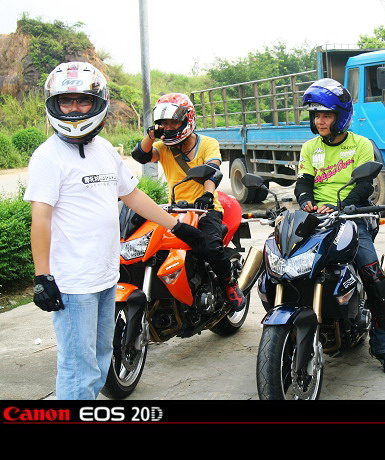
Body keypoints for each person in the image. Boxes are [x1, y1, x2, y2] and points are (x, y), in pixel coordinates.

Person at [24, 62, 204, 400]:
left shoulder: (104, 150)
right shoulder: (48, 157)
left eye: (82, 101)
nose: (74, 109)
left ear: (98, 103)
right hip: (73, 284)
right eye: (66, 102)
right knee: (79, 368)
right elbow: (41, 219)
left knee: (102, 360)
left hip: (108, 276)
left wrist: (177, 226)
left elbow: (133, 195)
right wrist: (42, 276)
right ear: (53, 105)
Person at [294, 78, 385, 376]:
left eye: (326, 115)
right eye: (316, 115)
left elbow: (364, 185)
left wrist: (341, 208)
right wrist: (305, 202)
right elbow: (304, 182)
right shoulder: (309, 147)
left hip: (350, 218)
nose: (320, 121)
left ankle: (383, 347)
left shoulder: (360, 145)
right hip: (315, 218)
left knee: (374, 279)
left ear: (341, 116)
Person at [131, 93, 246, 312]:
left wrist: (207, 196)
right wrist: (152, 134)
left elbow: (212, 171)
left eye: (173, 121)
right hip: (175, 210)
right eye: (164, 122)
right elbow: (141, 156)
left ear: (188, 119)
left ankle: (228, 282)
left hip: (204, 208)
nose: (169, 127)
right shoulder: (163, 148)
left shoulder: (208, 144)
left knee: (211, 247)